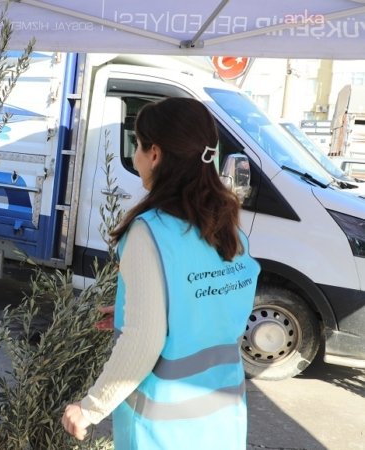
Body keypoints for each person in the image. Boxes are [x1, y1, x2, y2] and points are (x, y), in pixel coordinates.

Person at [61, 97, 261, 449]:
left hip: (163, 430)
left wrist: (89, 408)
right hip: (222, 418)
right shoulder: (227, 228)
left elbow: (143, 341)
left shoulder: (148, 232)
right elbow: (208, 305)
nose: (135, 156)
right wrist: (131, 311)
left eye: (136, 145)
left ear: (155, 154)